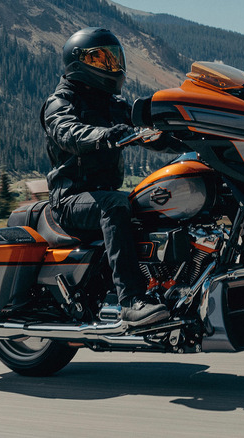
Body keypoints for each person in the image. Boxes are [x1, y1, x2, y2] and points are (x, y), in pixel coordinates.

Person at [39, 27, 169, 327]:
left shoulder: (112, 103)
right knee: (115, 205)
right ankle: (131, 301)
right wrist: (104, 136)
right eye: (101, 59)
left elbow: (146, 127)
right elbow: (68, 132)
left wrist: (185, 135)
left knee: (157, 201)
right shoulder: (60, 102)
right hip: (71, 200)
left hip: (101, 195)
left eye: (113, 59)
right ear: (78, 62)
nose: (111, 66)